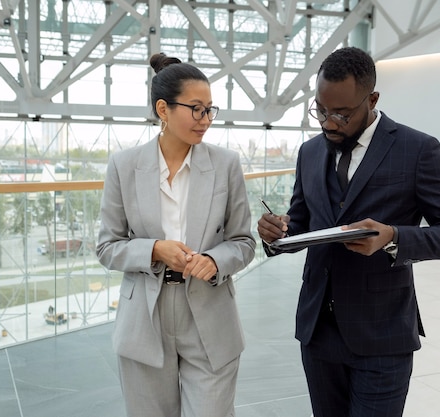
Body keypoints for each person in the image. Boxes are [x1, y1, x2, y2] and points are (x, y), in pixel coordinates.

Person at [257, 47, 440, 417]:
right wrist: (276, 232)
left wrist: (393, 237)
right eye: (321, 110)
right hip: (318, 333)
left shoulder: (417, 149)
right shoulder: (309, 152)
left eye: (342, 113)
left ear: (372, 99)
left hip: (382, 334)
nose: (329, 123)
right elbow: (301, 221)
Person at [96, 52, 256, 417]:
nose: (205, 120)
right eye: (196, 109)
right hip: (145, 319)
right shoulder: (124, 165)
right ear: (163, 110)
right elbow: (107, 246)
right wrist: (154, 250)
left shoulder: (226, 164)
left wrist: (215, 260)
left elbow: (244, 242)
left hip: (210, 314)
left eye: (210, 110)